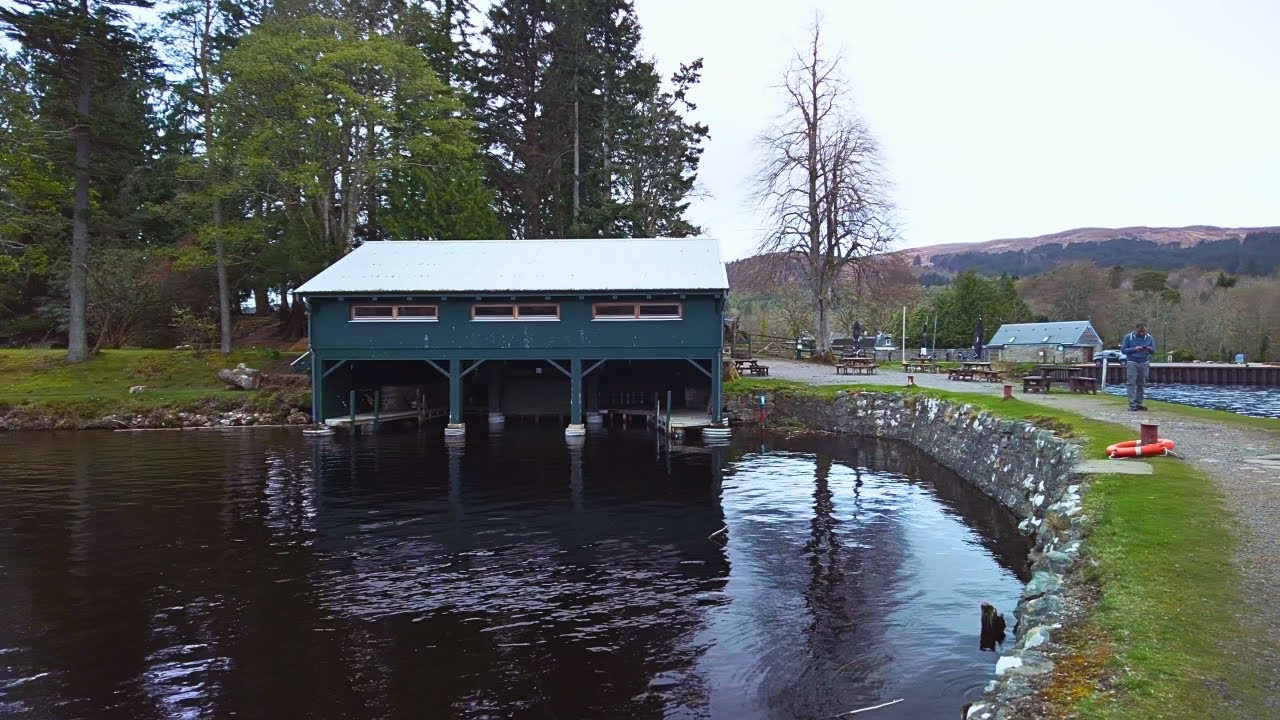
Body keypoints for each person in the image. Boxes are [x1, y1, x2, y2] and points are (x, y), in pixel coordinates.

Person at [1120, 322, 1156, 411]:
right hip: (1132, 362)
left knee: (1141, 383)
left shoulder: (1150, 338)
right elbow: (1123, 350)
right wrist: (1134, 349)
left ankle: (1138, 403)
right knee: (1131, 382)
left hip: (1144, 362)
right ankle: (1132, 404)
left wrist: (1150, 349)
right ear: (1136, 329)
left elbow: (1154, 351)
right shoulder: (1128, 337)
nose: (1142, 333)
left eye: (1144, 331)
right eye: (1140, 331)